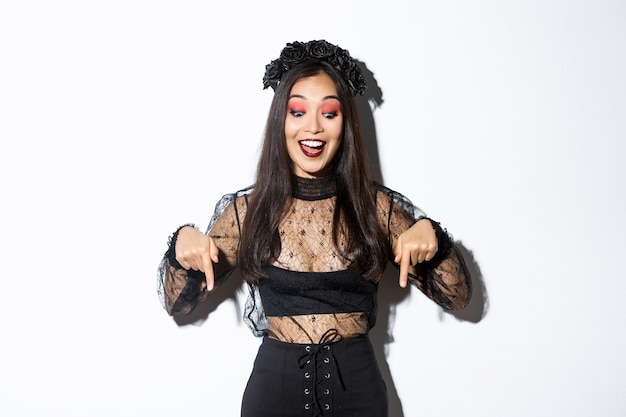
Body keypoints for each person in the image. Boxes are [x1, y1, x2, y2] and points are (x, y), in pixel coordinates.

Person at [157, 39, 471, 417]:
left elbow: (459, 297)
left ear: (346, 124)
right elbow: (176, 303)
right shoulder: (248, 210)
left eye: (329, 114)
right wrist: (180, 247)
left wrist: (433, 239)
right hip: (272, 396)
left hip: (360, 397)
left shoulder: (375, 208)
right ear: (281, 121)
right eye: (298, 111)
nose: (313, 128)